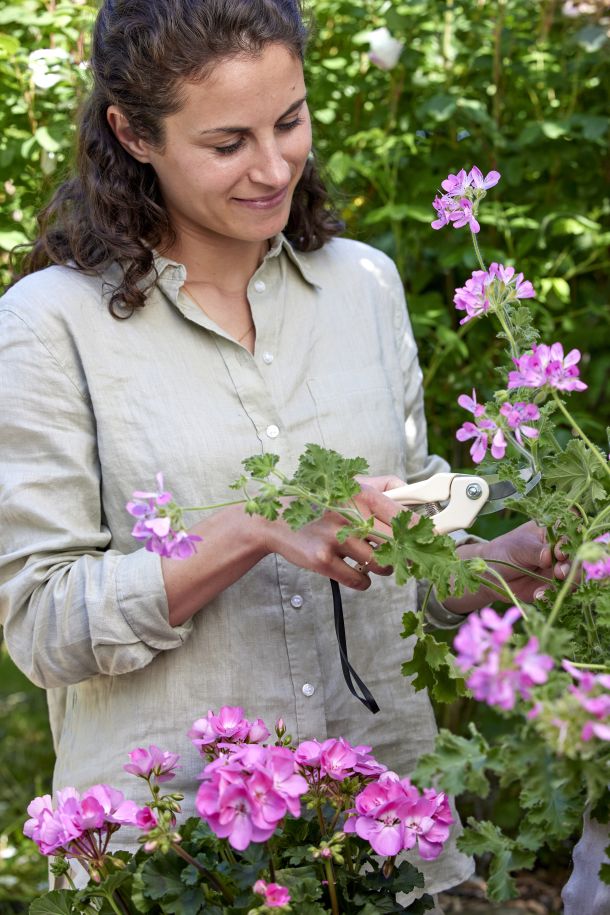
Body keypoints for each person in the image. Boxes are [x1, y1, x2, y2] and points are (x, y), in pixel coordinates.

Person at [0, 0, 567, 905]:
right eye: (227, 143)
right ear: (130, 132)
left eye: (290, 121)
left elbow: (404, 574)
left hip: (382, 841)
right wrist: (255, 528)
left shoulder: (364, 287)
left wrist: (509, 562)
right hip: (181, 860)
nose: (274, 168)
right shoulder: (50, 324)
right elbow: (41, 625)